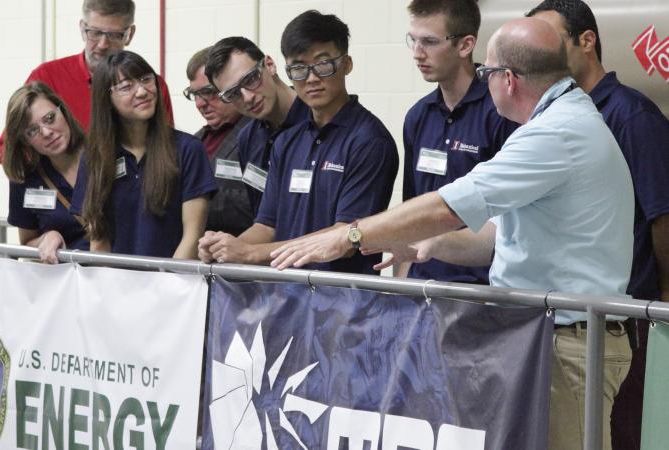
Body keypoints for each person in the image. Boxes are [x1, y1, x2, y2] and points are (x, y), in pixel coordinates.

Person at [270, 17, 633, 449]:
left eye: (487, 72)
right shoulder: (554, 122)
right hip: (543, 340)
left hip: (570, 347)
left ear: (508, 80)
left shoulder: (556, 134)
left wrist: (352, 236)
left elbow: (447, 205)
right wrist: (433, 245)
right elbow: (498, 237)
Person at [527, 2, 669, 449]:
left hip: (625, 315)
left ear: (587, 41)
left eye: (551, 41)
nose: (539, 54)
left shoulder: (631, 116)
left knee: (618, 432)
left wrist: (661, 300)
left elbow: (662, 215)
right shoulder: (543, 115)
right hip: (560, 320)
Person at [198, 10, 399, 274]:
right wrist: (225, 248)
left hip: (343, 301)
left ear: (347, 64)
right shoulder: (286, 141)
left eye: (323, 64)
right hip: (287, 297)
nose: (312, 78)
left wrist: (250, 253)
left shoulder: (369, 141)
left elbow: (345, 238)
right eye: (300, 69)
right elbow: (267, 226)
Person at [400, 0, 517, 280]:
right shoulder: (418, 116)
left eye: (429, 41)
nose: (417, 54)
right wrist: (401, 288)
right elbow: (410, 213)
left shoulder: (501, 112)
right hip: (423, 286)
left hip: (481, 290)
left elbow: (509, 217)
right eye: (413, 40)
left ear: (465, 45)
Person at [71, 50, 217, 258]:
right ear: (107, 97)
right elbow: (99, 239)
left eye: (146, 79)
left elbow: (193, 236)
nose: (142, 91)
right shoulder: (95, 158)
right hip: (115, 283)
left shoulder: (188, 149)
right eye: (126, 86)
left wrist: (165, 284)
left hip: (172, 282)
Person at [0, 0, 173, 161]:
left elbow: (165, 148)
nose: (103, 44)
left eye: (114, 35)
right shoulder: (47, 77)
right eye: (95, 33)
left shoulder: (150, 87)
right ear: (82, 28)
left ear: (130, 34)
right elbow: (9, 147)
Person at [204, 36, 310, 215]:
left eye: (251, 79)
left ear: (269, 65)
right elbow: (261, 219)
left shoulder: (319, 120)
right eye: (232, 93)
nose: (247, 97)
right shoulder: (248, 138)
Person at [2, 82, 89, 264]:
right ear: (24, 141)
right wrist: (46, 238)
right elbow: (26, 243)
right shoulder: (25, 179)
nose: (47, 132)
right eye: (33, 130)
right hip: (63, 282)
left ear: (62, 111)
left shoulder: (103, 156)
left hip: (116, 275)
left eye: (50, 118)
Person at [185, 47, 253, 236]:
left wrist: (190, 201)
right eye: (194, 94)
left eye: (208, 92)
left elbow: (261, 205)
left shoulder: (260, 135)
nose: (200, 103)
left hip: (239, 251)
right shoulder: (193, 141)